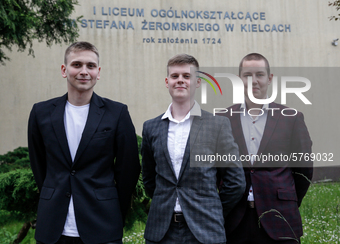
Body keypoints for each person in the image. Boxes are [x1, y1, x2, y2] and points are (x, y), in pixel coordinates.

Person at [28, 41, 141, 244]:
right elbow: (39, 165)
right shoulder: (41, 112)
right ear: (64, 70)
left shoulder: (117, 113)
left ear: (98, 72)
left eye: (90, 66)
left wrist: (114, 212)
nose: (84, 71)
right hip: (53, 228)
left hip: (103, 226)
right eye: (76, 64)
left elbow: (128, 170)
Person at [142, 54, 246, 244]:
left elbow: (236, 181)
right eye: (175, 76)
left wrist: (211, 208)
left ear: (197, 82)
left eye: (186, 76)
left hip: (205, 229)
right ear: (167, 82)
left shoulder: (217, 125)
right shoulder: (151, 127)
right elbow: (150, 179)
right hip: (161, 232)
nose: (180, 80)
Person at [219, 53, 313, 243]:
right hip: (235, 220)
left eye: (259, 74)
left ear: (269, 79)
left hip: (280, 218)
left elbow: (303, 170)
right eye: (247, 75)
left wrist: (287, 201)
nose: (253, 81)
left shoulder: (291, 117)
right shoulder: (223, 119)